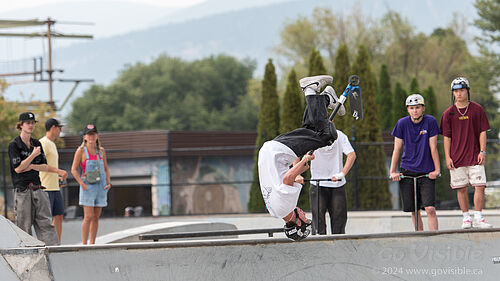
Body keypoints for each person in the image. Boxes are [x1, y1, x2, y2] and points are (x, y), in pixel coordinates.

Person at [258, 75, 342, 240]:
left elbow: (287, 178)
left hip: (279, 153)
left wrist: (303, 163)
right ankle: (326, 98)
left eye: (305, 219)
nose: (304, 214)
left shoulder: (286, 207)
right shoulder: (275, 212)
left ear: (297, 223)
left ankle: (309, 89)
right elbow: (280, 181)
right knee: (311, 130)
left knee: (327, 136)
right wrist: (297, 173)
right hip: (270, 152)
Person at [8, 112, 67, 246]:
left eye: (32, 123)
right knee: (24, 226)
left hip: (38, 188)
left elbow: (44, 166)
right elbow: (18, 168)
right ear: (21, 125)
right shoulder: (14, 145)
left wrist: (31, 165)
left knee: (46, 223)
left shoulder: (36, 143)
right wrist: (32, 155)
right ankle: (26, 256)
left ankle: (53, 252)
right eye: (28, 123)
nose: (31, 125)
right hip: (22, 191)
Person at [440, 77, 492, 229]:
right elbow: (446, 138)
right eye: (456, 91)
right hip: (456, 158)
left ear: (467, 91)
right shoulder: (448, 114)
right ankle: (466, 217)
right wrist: (448, 157)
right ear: (453, 93)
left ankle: (478, 216)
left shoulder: (477, 109)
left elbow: (483, 132)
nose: (459, 93)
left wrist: (482, 151)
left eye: (461, 90)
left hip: (475, 156)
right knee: (461, 188)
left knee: (480, 186)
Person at [390, 94, 440, 231]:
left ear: (423, 108)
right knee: (414, 209)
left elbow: (433, 147)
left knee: (430, 208)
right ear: (407, 110)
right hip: (407, 170)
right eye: (412, 108)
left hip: (426, 172)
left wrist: (437, 170)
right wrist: (393, 171)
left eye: (417, 107)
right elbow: (397, 148)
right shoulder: (402, 123)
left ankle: (434, 238)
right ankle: (420, 237)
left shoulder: (430, 122)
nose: (415, 111)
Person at [309, 128, 356, 235]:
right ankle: (320, 248)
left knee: (339, 221)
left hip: (337, 184)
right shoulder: (311, 136)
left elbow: (351, 154)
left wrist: (342, 173)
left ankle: (339, 248)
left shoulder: (340, 135)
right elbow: (297, 152)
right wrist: (297, 174)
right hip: (317, 184)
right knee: (318, 222)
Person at [71, 124, 112, 244]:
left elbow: (105, 168)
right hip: (88, 186)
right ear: (84, 136)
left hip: (101, 186)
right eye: (89, 134)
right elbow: (73, 169)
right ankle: (84, 243)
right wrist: (82, 184)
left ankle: (93, 242)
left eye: (93, 134)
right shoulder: (80, 151)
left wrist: (108, 182)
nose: (91, 137)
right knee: (88, 216)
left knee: (96, 216)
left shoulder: (101, 151)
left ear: (97, 136)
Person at [39, 118, 66, 242]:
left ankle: (57, 243)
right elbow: (40, 165)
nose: (60, 131)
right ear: (53, 128)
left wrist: (58, 177)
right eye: (59, 128)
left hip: (55, 186)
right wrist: (58, 171)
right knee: (47, 218)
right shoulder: (43, 143)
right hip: (45, 187)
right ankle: (48, 244)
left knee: (59, 215)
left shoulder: (53, 144)